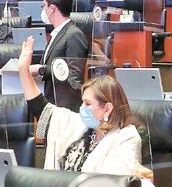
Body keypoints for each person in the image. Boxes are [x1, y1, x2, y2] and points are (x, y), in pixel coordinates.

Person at [17, 36, 141, 174]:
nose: (82, 108)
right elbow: (40, 109)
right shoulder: (79, 126)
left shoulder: (126, 138)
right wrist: (23, 70)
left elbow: (114, 185)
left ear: (107, 108)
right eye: (83, 102)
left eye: (87, 103)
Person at [32, 0, 88, 109]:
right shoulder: (57, 33)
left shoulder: (74, 35)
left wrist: (42, 69)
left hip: (65, 109)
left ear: (52, 9)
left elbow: (74, 78)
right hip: (51, 103)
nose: (43, 10)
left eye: (44, 6)